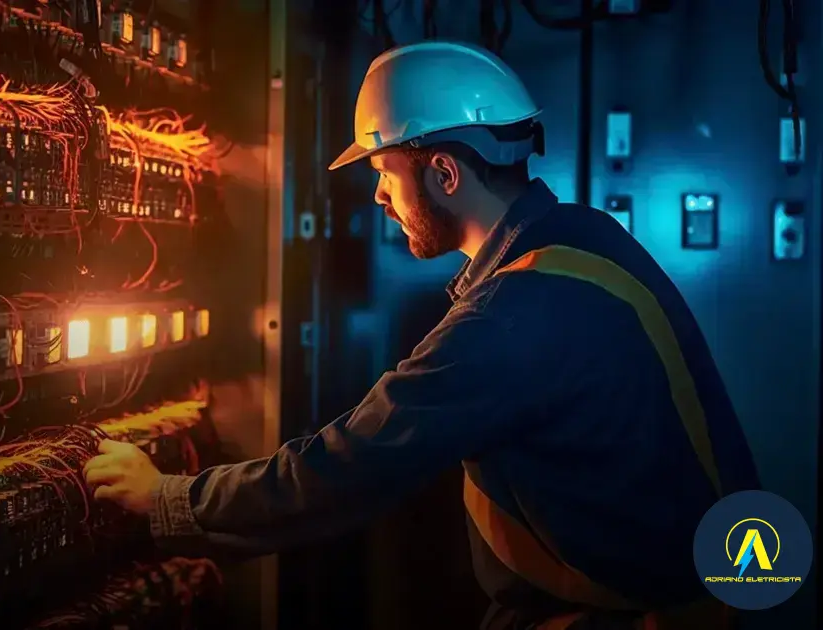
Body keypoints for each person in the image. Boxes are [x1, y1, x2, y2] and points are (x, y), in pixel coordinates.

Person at [83, 41, 761, 629]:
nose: (378, 197)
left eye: (384, 172)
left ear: (443, 172)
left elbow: (347, 466)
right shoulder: (580, 239)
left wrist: (167, 498)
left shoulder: (515, 313)